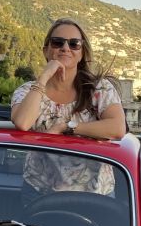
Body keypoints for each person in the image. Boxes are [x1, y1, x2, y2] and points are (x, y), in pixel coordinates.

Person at [10, 18, 127, 201]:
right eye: (58, 42)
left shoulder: (99, 89)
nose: (66, 48)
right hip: (39, 191)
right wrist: (44, 77)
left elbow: (118, 128)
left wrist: (67, 127)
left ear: (81, 53)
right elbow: (23, 122)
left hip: (94, 193)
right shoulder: (27, 91)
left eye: (74, 44)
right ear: (46, 50)